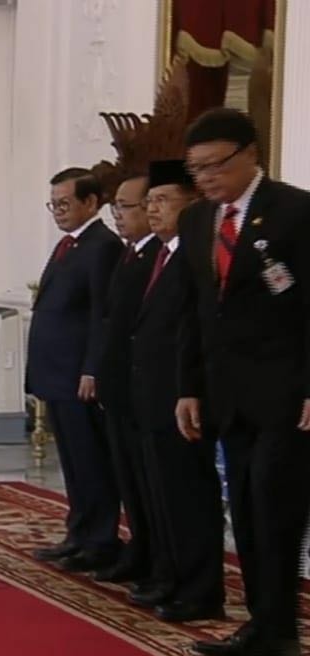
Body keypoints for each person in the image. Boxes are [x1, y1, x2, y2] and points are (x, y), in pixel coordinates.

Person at [176, 108, 310, 656]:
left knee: (277, 508)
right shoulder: (196, 221)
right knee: (248, 512)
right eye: (196, 169)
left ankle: (279, 628)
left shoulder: (297, 211)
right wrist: (189, 386)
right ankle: (263, 624)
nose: (206, 177)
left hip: (287, 395)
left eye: (216, 165)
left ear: (252, 154)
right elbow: (195, 310)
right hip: (227, 394)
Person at [133, 159, 225, 622]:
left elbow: (195, 329)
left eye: (163, 200)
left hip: (182, 398)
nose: (152, 209)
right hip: (152, 396)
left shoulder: (196, 255)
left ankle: (201, 590)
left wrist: (189, 389)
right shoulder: (161, 254)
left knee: (189, 496)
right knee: (162, 496)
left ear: (192, 204)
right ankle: (170, 576)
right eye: (149, 201)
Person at [26, 168, 123, 573]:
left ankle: (99, 540)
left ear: (91, 202)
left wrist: (92, 368)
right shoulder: (69, 244)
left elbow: (103, 313)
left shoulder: (102, 246)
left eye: (65, 203)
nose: (58, 212)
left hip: (79, 375)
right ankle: (78, 533)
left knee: (91, 461)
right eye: (53, 205)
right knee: (72, 461)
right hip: (57, 372)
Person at [93, 173, 160, 587]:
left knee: (151, 484)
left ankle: (158, 559)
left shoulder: (157, 256)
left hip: (143, 388)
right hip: (119, 385)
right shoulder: (130, 253)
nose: (118, 215)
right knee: (128, 479)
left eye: (126, 206)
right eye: (114, 206)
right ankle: (140, 548)